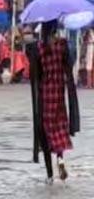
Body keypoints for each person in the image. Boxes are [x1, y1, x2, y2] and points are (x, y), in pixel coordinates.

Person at [28, 21, 79, 182]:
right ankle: (61, 159)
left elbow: (36, 74)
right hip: (59, 96)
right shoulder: (62, 46)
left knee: (46, 133)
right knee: (59, 130)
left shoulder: (39, 49)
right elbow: (69, 64)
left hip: (45, 97)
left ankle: (50, 175)